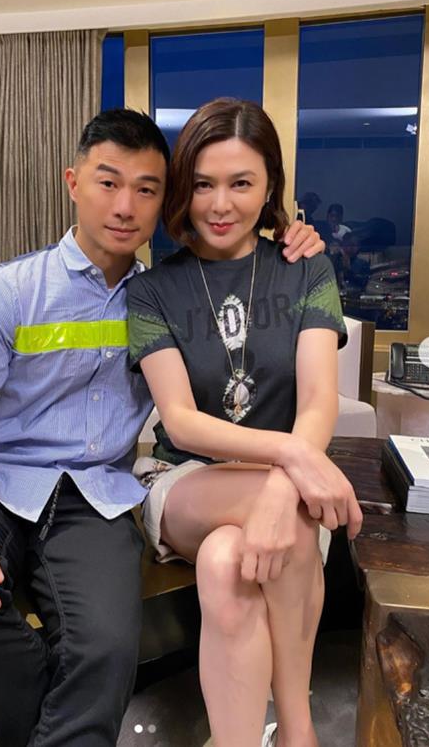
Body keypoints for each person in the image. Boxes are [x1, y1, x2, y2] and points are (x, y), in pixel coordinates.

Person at [0, 107, 326, 747]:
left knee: (105, 646)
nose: (125, 206)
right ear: (73, 183)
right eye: (108, 183)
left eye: (147, 189)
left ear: (164, 202)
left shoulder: (153, 296)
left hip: (95, 495)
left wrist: (295, 239)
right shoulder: (10, 289)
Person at [127, 98, 363, 747]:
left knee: (227, 562)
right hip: (185, 479)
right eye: (203, 184)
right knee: (273, 517)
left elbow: (318, 400)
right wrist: (291, 468)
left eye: (241, 183)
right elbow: (181, 421)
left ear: (270, 187)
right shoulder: (152, 290)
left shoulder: (307, 269)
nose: (220, 204)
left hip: (288, 490)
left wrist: (282, 483)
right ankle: (299, 732)